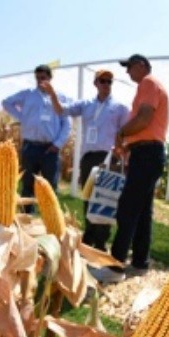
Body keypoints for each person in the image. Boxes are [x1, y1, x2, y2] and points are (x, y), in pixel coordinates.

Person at [95, 54, 169, 283]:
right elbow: (146, 123)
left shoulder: (148, 83)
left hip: (146, 154)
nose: (127, 72)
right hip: (148, 153)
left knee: (127, 208)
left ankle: (115, 267)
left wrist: (122, 133)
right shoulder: (152, 86)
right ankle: (139, 262)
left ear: (141, 66)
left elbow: (144, 118)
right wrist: (127, 145)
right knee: (142, 211)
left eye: (129, 68)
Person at [53, 69, 129, 251]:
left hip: (109, 157)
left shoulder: (120, 108)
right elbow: (61, 111)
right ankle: (89, 236)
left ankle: (101, 241)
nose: (106, 84)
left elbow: (127, 134)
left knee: (105, 199)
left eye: (109, 81)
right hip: (88, 157)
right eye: (102, 81)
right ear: (95, 83)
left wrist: (123, 158)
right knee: (88, 196)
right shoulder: (86, 104)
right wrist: (51, 94)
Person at [2, 64, 71, 212]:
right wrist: (22, 117)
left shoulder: (61, 97)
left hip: (50, 149)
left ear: (50, 78)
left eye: (44, 77)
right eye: (38, 78)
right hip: (30, 147)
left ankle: (52, 222)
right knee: (28, 186)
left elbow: (67, 124)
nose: (40, 80)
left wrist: (58, 144)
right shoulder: (28, 94)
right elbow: (6, 102)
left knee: (50, 188)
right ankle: (28, 219)